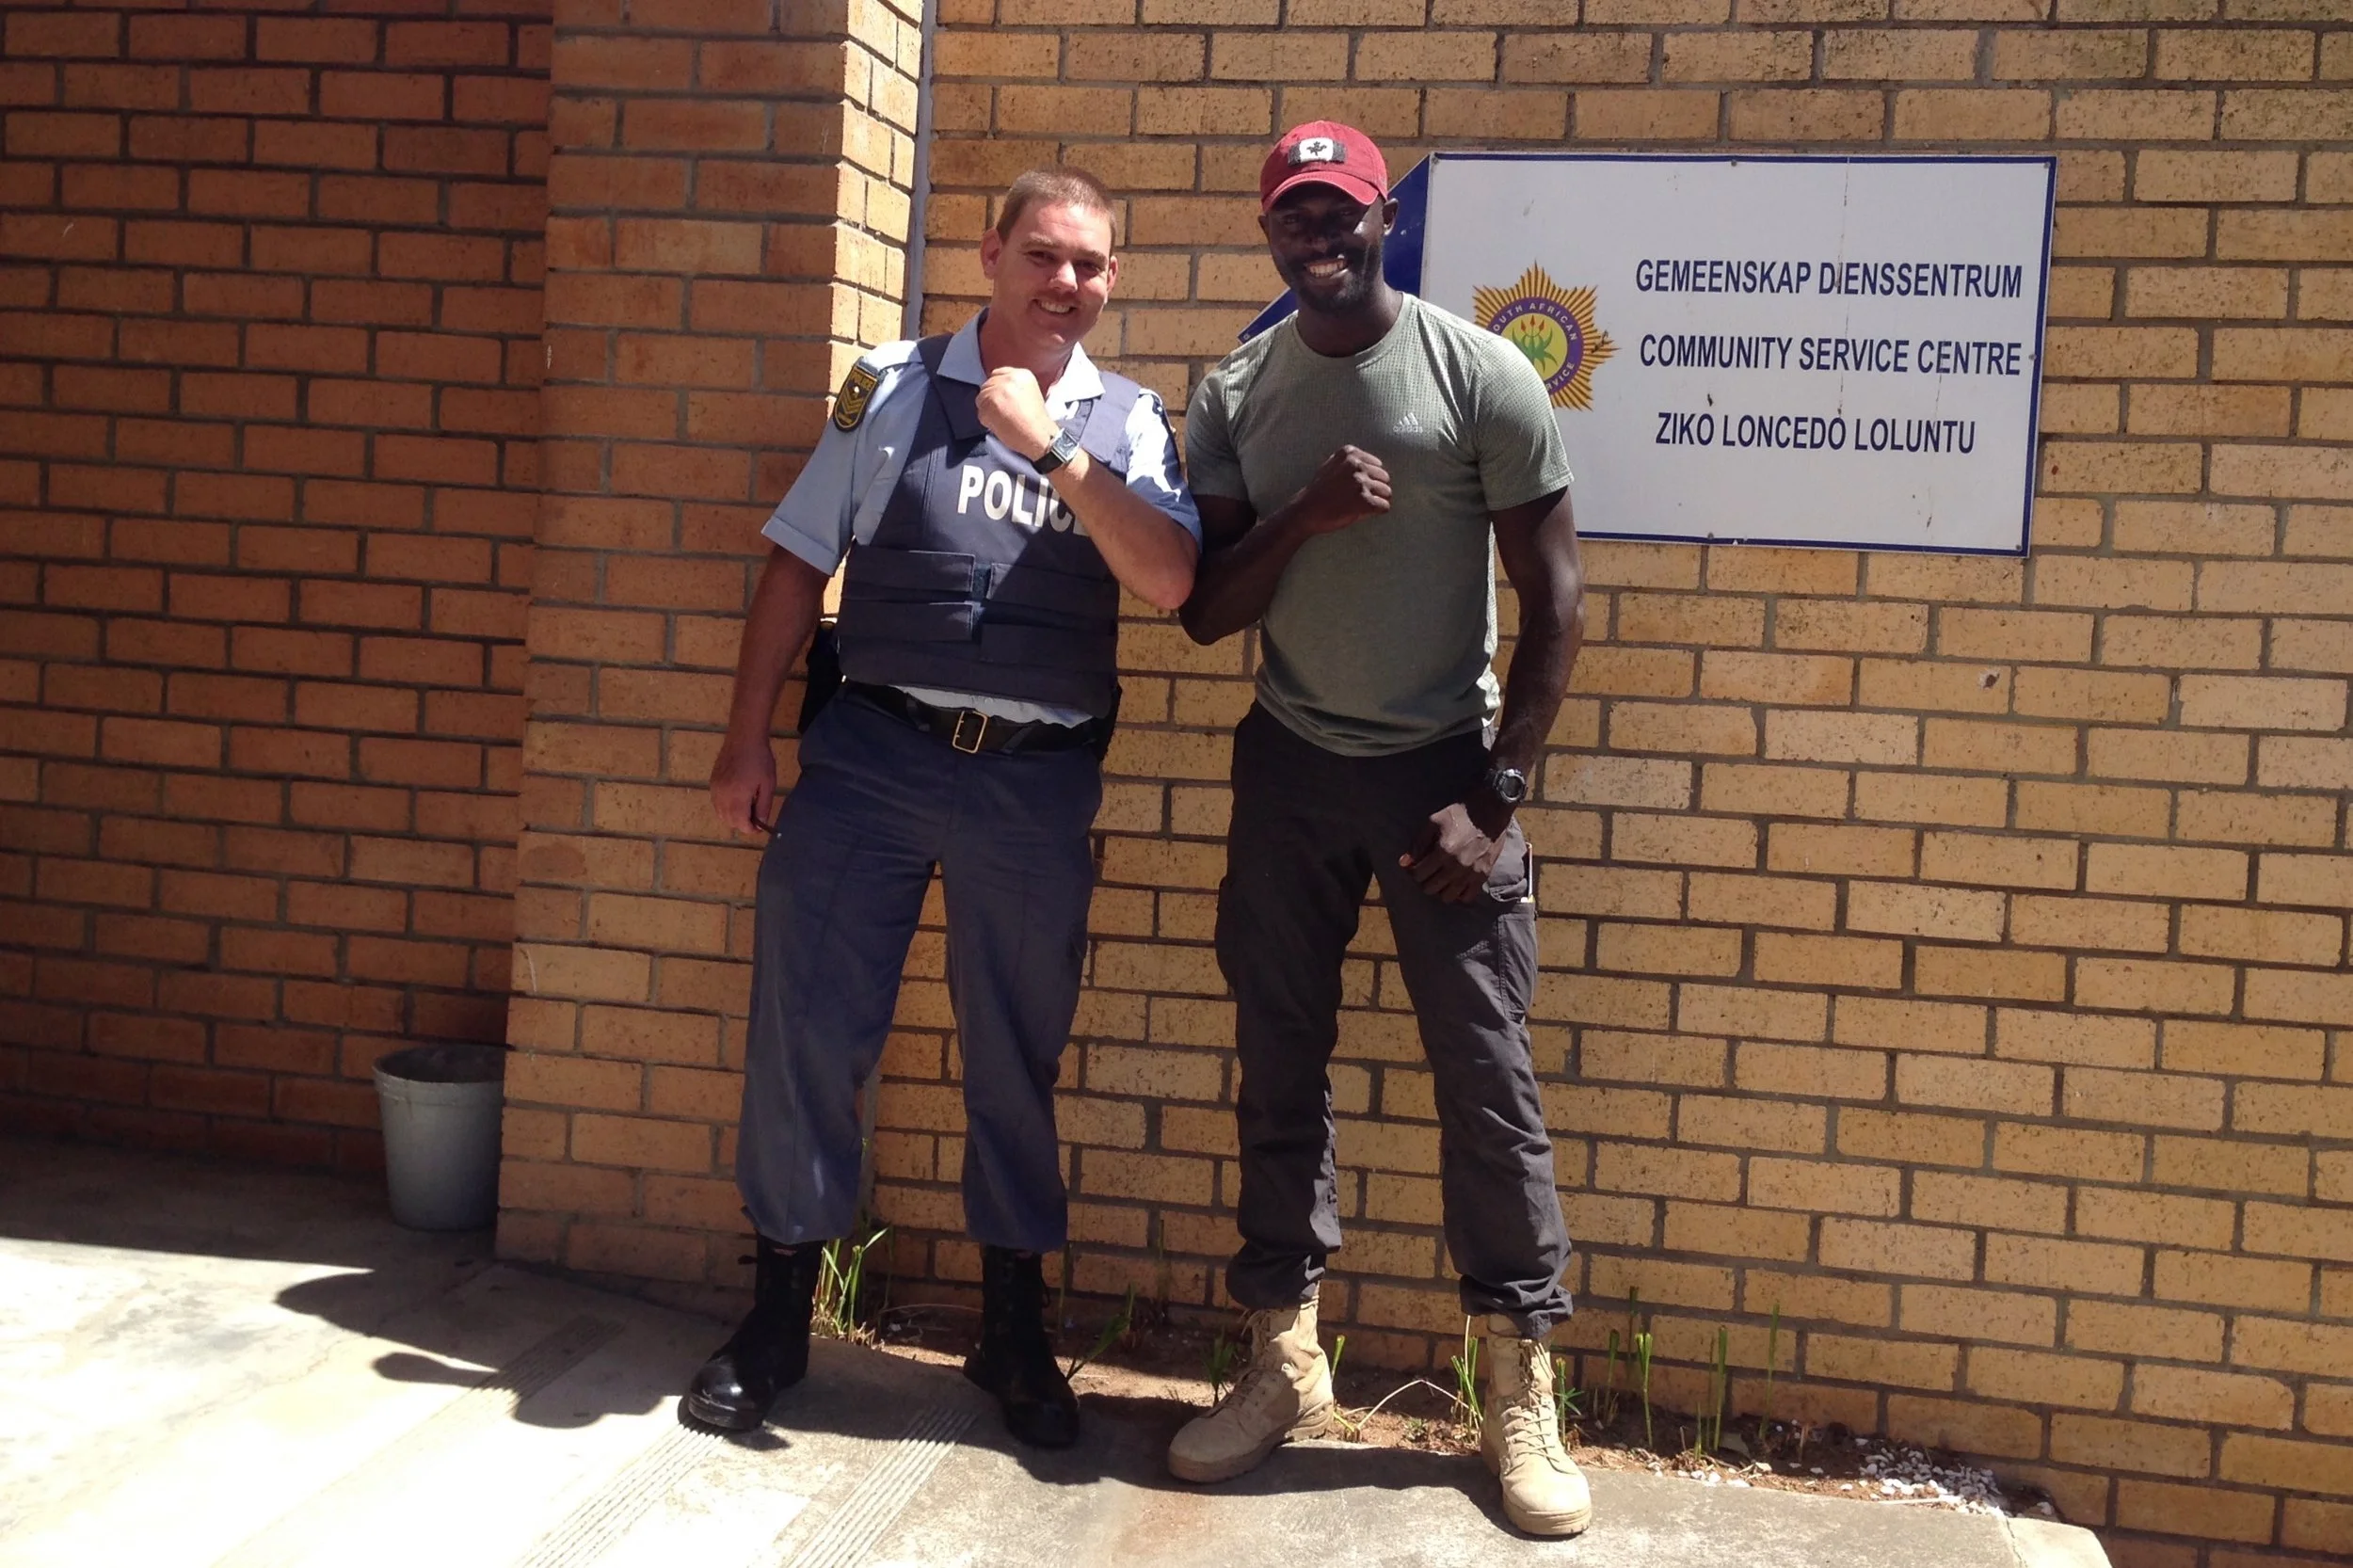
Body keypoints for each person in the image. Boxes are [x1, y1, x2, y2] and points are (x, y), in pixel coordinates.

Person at [682, 168, 1201, 1449]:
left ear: (1113, 278)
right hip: (871, 758)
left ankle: (1013, 1329)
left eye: (1089, 263)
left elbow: (1172, 579)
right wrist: (745, 736)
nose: (1064, 283)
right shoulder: (886, 381)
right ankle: (779, 1318)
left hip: (1033, 781)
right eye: (1042, 254)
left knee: (1016, 1053)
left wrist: (1056, 446)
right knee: (809, 1029)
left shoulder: (1129, 423)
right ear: (989, 255)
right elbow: (801, 556)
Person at [1164, 122, 1592, 1536]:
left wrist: (1496, 795)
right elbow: (1209, 605)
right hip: (1289, 767)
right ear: (1268, 227)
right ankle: (1284, 1357)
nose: (1319, 234)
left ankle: (1517, 1385)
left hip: (1439, 778)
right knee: (1278, 1058)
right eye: (1295, 213)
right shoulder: (1236, 387)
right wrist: (1302, 516)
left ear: (1381, 219)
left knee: (1486, 1079)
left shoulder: (1483, 373)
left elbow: (1560, 598)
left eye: (1341, 210)